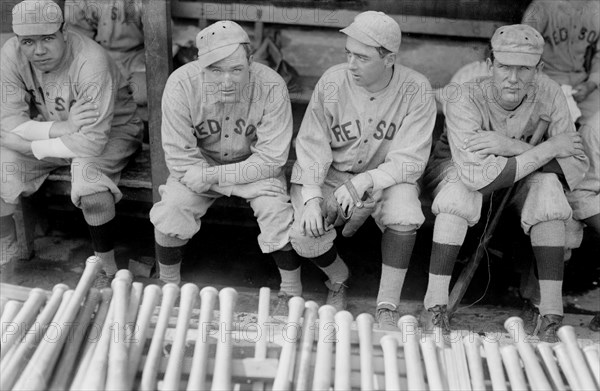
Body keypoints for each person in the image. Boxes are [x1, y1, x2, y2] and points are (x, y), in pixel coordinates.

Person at [420, 24, 588, 342]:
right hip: (455, 170)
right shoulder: (465, 96)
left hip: (517, 178)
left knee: (550, 190)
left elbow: (575, 169)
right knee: (459, 194)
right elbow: (475, 177)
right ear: (489, 65)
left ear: (537, 69)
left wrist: (512, 147)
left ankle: (550, 313)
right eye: (504, 66)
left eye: (523, 68)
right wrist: (549, 149)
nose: (513, 78)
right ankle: (435, 305)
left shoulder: (550, 91)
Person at [289, 11, 436, 327]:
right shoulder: (333, 81)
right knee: (305, 233)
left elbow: (409, 161)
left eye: (362, 57)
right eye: (348, 54)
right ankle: (339, 278)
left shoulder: (417, 89)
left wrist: (368, 180)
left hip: (388, 176)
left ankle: (387, 304)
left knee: (406, 212)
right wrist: (313, 198)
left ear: (389, 58)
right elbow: (312, 145)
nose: (351, 64)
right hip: (333, 173)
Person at [149, 21, 299, 305]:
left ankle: (292, 291)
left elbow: (272, 159)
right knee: (172, 208)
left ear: (251, 62)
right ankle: (167, 285)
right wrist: (225, 183)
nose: (226, 80)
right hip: (199, 167)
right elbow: (180, 159)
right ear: (200, 64)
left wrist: (219, 178)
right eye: (215, 70)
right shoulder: (181, 84)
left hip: (254, 167)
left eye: (235, 69)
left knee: (275, 208)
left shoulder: (272, 86)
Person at [0, 0, 143, 286]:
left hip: (111, 131)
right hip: (56, 128)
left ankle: (106, 269)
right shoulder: (11, 54)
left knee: (88, 181)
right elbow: (8, 123)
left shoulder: (91, 60)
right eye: (28, 41)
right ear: (18, 39)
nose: (38, 51)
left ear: (64, 31)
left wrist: (32, 147)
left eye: (48, 38)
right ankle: (7, 246)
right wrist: (61, 128)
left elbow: (90, 142)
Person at [522, 0, 600, 331]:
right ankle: (534, 293)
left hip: (587, 86)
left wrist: (592, 83)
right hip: (546, 83)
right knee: (554, 175)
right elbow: (523, 53)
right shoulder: (542, 7)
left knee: (591, 134)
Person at [64, 0, 147, 105]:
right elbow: (80, 43)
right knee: (86, 94)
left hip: (137, 56)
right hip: (101, 56)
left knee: (141, 93)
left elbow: (161, 39)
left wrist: (149, 64)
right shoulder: (78, 4)